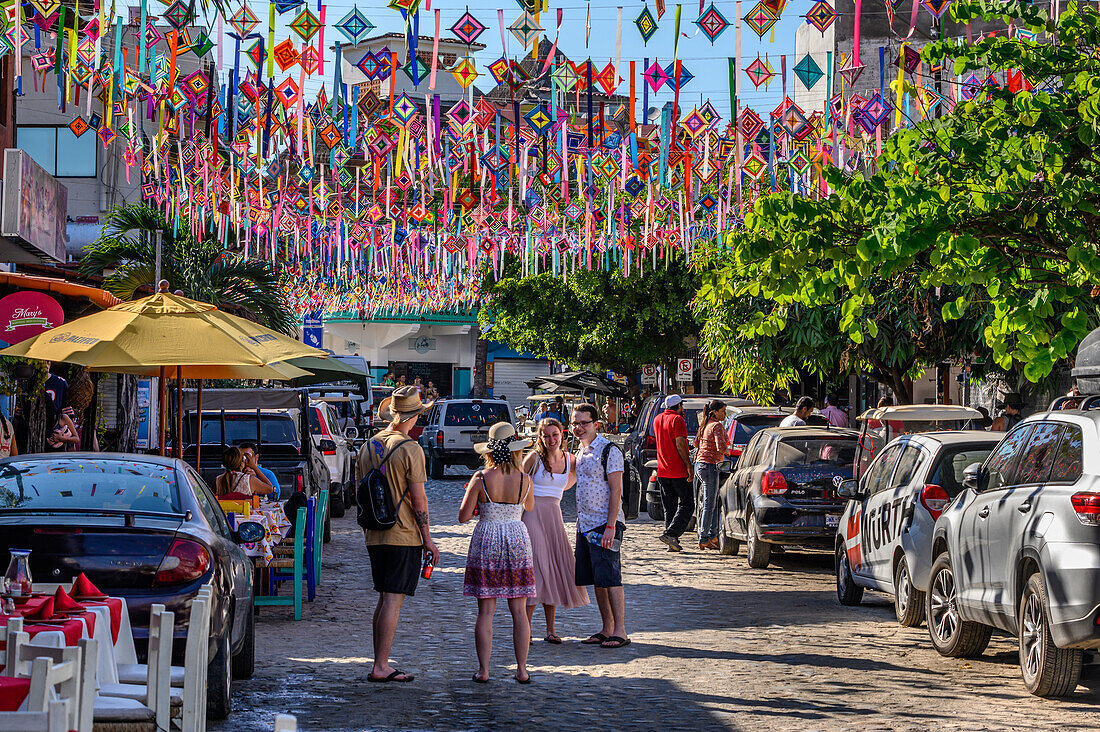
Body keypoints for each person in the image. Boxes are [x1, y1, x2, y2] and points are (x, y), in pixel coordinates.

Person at [356, 385, 440, 683]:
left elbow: (359, 491)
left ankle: (380, 662)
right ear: (414, 416)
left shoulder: (368, 445)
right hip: (402, 534)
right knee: (392, 600)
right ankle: (380, 666)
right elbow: (419, 500)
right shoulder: (410, 449)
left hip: (374, 534)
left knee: (383, 599)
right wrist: (428, 539)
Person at [460, 422, 536, 683]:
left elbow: (463, 516)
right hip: (516, 537)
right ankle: (522, 669)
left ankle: (484, 670)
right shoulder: (525, 479)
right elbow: (530, 505)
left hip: (488, 537)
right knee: (519, 611)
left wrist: (480, 505)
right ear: (516, 449)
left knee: (486, 612)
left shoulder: (481, 478)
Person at [520, 418, 589, 644]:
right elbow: (517, 484)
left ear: (562, 435)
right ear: (540, 437)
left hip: (554, 516)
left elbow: (578, 481)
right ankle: (526, 630)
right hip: (532, 514)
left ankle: (551, 630)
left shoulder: (571, 461)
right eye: (546, 435)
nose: (551, 439)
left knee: (553, 570)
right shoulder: (534, 458)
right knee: (538, 569)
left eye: (555, 435)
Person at [570, 403, 629, 649]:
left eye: (584, 422)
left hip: (605, 523)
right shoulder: (580, 453)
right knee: (597, 579)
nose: (578, 427)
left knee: (611, 577)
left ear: (596, 424)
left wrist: (611, 526)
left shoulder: (608, 450)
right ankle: (606, 628)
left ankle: (621, 631)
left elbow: (617, 491)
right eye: (575, 423)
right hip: (585, 524)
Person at [653, 394, 693, 552]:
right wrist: (688, 465)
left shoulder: (657, 419)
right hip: (677, 470)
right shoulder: (678, 420)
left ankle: (672, 540)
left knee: (669, 507)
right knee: (687, 505)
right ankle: (671, 534)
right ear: (679, 406)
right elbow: (680, 443)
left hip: (662, 470)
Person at [694, 400, 729, 550]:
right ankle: (703, 537)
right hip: (710, 466)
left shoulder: (705, 424)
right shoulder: (717, 426)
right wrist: (729, 450)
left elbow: (696, 443)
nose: (725, 414)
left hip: (700, 465)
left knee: (711, 502)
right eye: (723, 411)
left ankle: (712, 534)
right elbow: (721, 447)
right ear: (715, 412)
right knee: (709, 504)